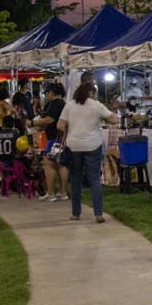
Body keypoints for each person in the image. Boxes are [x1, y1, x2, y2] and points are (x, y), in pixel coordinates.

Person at [57, 82, 119, 223]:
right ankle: (98, 213)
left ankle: (76, 213)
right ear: (91, 93)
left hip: (74, 146)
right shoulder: (96, 105)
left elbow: (60, 125)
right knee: (94, 180)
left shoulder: (70, 105)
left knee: (75, 180)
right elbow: (114, 119)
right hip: (92, 145)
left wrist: (71, 127)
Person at [34, 83, 69, 202]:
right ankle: (63, 192)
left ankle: (50, 193)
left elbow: (50, 119)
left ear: (51, 92)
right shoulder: (63, 103)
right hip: (61, 138)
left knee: (48, 163)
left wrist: (36, 122)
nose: (45, 95)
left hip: (54, 138)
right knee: (61, 165)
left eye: (45, 93)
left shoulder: (55, 104)